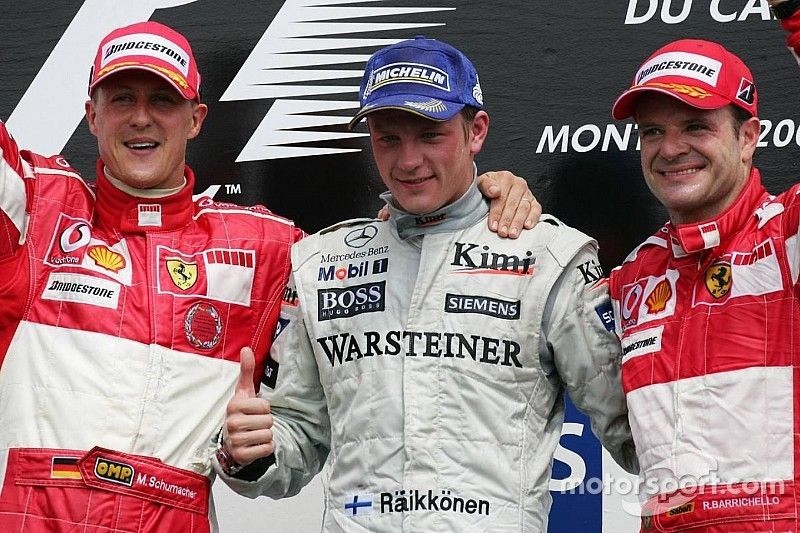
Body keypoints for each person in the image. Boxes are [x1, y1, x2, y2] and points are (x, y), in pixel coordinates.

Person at [0, 21, 534, 532]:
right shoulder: (38, 208)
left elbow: (400, 243)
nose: (141, 117)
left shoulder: (270, 246)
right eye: (122, 100)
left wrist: (482, 198)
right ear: (91, 116)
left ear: (196, 120)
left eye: (162, 100)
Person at [217, 36, 638, 532]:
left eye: (430, 135)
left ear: (475, 130)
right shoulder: (318, 264)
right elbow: (296, 439)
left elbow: (637, 431)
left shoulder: (549, 258)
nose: (408, 160)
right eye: (387, 138)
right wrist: (250, 451)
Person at [606, 5, 800, 530]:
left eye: (696, 126)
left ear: (747, 136)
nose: (670, 150)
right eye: (651, 132)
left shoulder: (788, 235)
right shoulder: (630, 278)